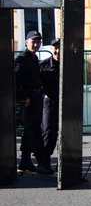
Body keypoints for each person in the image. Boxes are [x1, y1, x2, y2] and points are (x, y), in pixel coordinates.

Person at [15, 31, 53, 175]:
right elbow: (16, 80)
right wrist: (23, 97)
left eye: (38, 42)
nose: (36, 45)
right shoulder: (22, 59)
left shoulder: (33, 57)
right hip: (29, 98)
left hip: (36, 96)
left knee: (29, 130)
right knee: (35, 131)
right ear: (26, 42)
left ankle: (25, 160)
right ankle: (42, 162)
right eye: (33, 42)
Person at [40, 38, 61, 166]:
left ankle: (65, 163)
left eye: (60, 47)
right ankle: (45, 161)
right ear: (51, 48)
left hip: (66, 103)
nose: (58, 50)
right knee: (49, 133)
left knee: (66, 133)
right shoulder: (44, 65)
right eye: (55, 47)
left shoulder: (70, 64)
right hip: (50, 103)